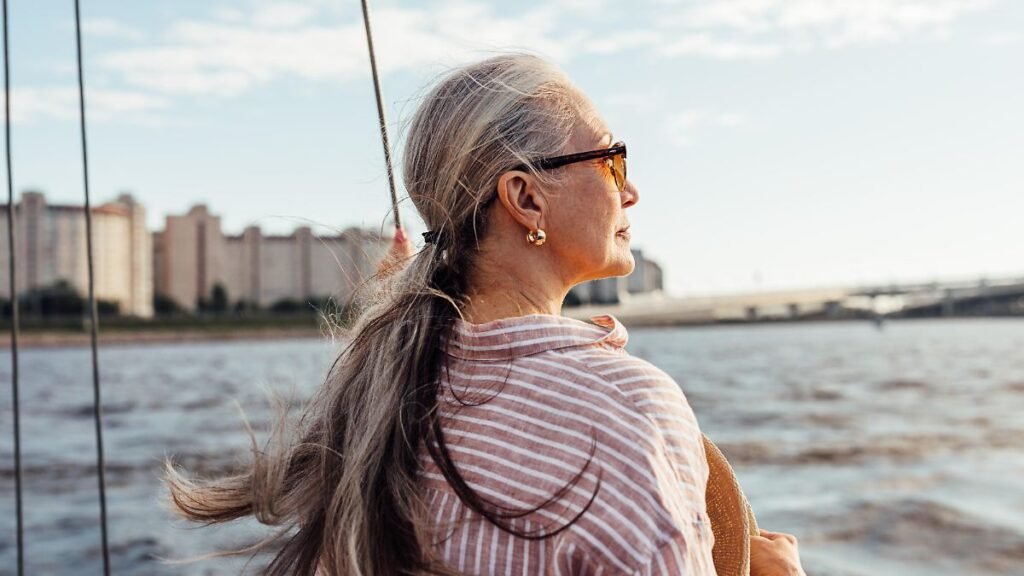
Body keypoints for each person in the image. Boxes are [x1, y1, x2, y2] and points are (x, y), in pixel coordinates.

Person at [164, 53, 805, 576]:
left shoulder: (374, 404)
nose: (630, 189)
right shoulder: (627, 406)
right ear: (525, 198)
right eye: (611, 160)